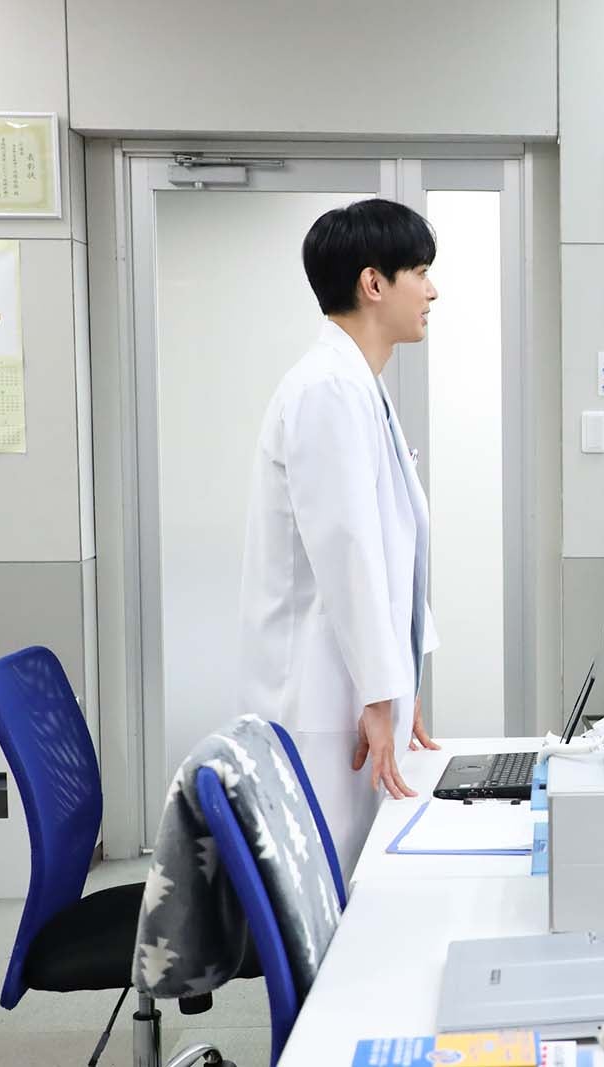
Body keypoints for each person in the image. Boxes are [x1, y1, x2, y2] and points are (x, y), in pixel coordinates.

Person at [237, 198, 442, 871]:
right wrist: (382, 691)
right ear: (373, 283)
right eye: (420, 272)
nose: (432, 291)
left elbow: (392, 547)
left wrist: (401, 679)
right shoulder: (326, 389)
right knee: (324, 886)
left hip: (352, 682)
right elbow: (347, 553)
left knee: (355, 871)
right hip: (320, 694)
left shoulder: (358, 385)